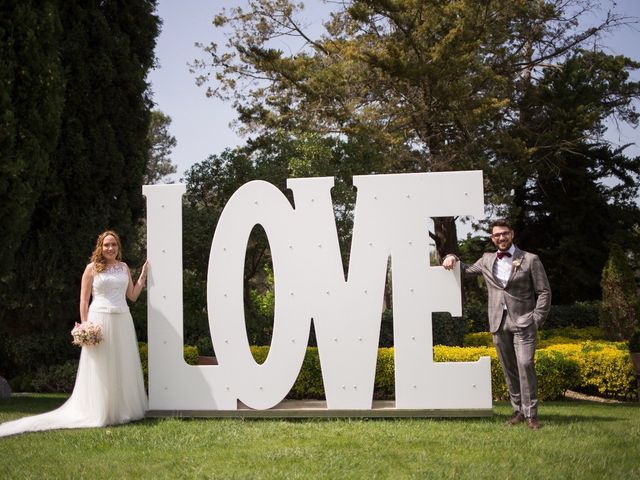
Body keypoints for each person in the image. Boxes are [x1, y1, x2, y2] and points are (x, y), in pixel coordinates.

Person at [0, 231, 148, 437]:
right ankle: (101, 411)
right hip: (100, 319)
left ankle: (122, 410)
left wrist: (142, 276)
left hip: (123, 318)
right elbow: (83, 300)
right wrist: (86, 326)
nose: (110, 248)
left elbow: (132, 296)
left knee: (122, 364)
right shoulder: (91, 268)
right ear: (100, 247)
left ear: (118, 247)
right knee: (101, 366)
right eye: (106, 245)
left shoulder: (124, 268)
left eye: (113, 244)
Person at [443, 219, 551, 430]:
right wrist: (451, 256)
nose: (501, 238)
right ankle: (518, 410)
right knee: (509, 368)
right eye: (496, 235)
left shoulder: (530, 259)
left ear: (512, 234)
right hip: (498, 323)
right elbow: (464, 270)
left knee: (525, 364)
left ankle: (531, 415)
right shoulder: (486, 259)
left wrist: (536, 318)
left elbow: (544, 291)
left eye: (504, 233)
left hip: (524, 322)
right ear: (492, 238)